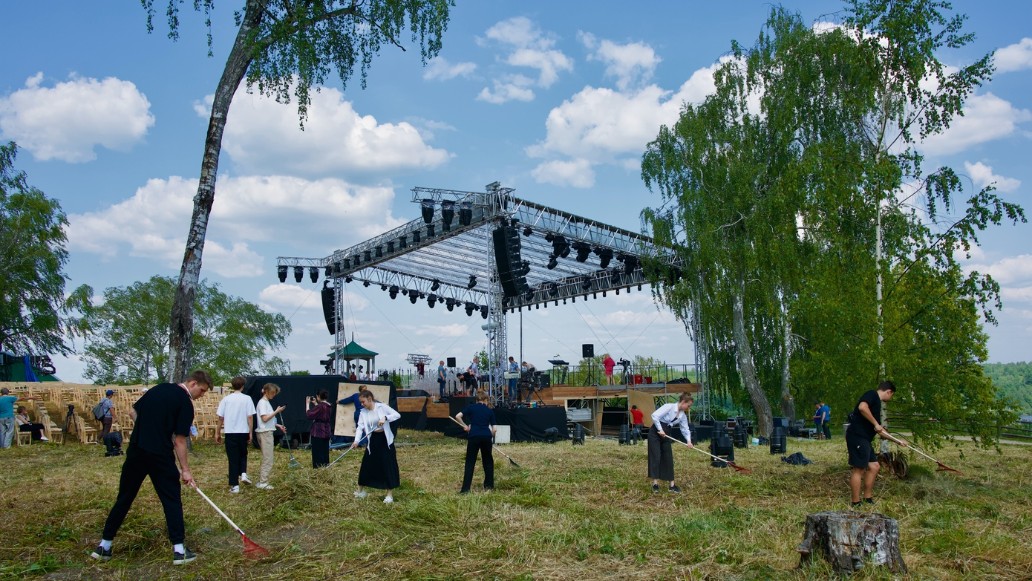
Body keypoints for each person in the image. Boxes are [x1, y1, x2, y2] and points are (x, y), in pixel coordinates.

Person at [91, 370, 212, 565]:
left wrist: (147, 428)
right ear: (192, 383)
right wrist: (186, 469)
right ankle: (179, 551)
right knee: (171, 499)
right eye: (202, 390)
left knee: (125, 497)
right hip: (160, 455)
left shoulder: (159, 388)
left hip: (137, 450)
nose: (202, 395)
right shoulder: (185, 403)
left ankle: (104, 546)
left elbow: (132, 411)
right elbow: (180, 441)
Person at [845, 380, 907, 508]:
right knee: (859, 469)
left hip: (865, 439)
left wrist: (898, 441)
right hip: (857, 436)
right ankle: (855, 502)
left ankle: (868, 498)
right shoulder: (872, 394)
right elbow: (862, 407)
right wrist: (875, 423)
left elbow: (881, 431)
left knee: (874, 467)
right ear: (889, 392)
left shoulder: (876, 405)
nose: (890, 398)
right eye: (891, 395)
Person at [352, 389, 401, 503]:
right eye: (361, 402)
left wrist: (385, 418)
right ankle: (361, 491)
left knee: (386, 465)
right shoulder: (363, 412)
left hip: (384, 440)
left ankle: (389, 495)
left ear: (369, 399)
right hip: (372, 440)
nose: (362, 404)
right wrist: (356, 441)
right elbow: (360, 427)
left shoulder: (381, 407)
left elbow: (397, 415)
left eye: (363, 402)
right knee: (367, 464)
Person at [215, 376, 256, 493]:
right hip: (243, 431)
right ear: (243, 386)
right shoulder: (247, 399)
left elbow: (220, 417)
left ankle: (234, 485)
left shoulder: (226, 399)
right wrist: (250, 432)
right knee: (243, 454)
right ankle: (243, 473)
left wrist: (217, 432)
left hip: (230, 432)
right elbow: (250, 417)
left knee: (232, 458)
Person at [648, 393, 694, 493]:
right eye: (688, 405)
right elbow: (654, 415)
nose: (688, 408)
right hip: (655, 433)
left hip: (666, 434)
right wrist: (660, 429)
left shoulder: (682, 416)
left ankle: (672, 486)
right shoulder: (668, 407)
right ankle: (655, 484)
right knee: (656, 456)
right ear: (683, 402)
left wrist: (689, 441)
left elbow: (685, 429)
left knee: (668, 458)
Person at [456, 391, 496, 493]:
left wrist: (465, 426)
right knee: (488, 462)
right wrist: (490, 435)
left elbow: (457, 416)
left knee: (470, 462)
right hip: (486, 437)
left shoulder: (471, 408)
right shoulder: (489, 411)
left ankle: (465, 489)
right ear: (486, 400)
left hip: (473, 436)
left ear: (477, 400)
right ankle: (489, 486)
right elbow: (494, 429)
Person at [254, 383, 286, 490]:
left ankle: (263, 480)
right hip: (265, 433)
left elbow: (268, 420)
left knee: (267, 457)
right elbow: (264, 418)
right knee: (268, 458)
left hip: (266, 431)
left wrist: (278, 425)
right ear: (266, 391)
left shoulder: (266, 402)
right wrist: (277, 411)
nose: (273, 395)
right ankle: (263, 482)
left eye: (275, 393)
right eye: (272, 393)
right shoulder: (263, 403)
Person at [306, 390, 333, 468]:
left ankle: (318, 467)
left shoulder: (320, 406)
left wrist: (307, 404)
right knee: (324, 450)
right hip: (326, 430)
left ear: (318, 396)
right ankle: (325, 466)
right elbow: (321, 412)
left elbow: (309, 415)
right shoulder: (328, 405)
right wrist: (315, 403)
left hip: (318, 431)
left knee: (317, 450)